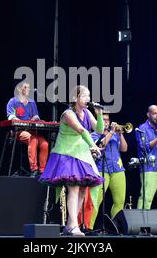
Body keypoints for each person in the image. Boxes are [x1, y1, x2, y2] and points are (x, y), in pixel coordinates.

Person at [39, 85, 104, 236]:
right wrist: (93, 146)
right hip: (67, 154)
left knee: (82, 189)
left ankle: (70, 225)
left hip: (81, 155)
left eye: (89, 96)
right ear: (75, 98)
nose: (88, 99)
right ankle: (74, 225)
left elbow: (99, 130)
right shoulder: (68, 113)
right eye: (84, 96)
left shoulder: (87, 112)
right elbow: (81, 130)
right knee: (74, 188)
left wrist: (100, 114)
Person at [82, 111, 128, 230]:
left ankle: (115, 226)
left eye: (107, 120)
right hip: (101, 170)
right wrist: (111, 132)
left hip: (118, 169)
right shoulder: (94, 134)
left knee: (120, 201)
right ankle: (88, 227)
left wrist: (120, 134)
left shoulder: (116, 134)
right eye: (104, 120)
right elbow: (100, 146)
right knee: (96, 200)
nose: (106, 122)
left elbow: (124, 149)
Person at [6, 81, 49, 177]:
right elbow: (11, 116)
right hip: (19, 132)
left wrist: (35, 118)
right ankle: (34, 169)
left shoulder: (31, 102)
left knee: (45, 144)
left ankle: (42, 171)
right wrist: (18, 120)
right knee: (32, 139)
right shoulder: (13, 101)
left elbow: (36, 116)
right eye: (25, 87)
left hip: (32, 131)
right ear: (19, 89)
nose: (28, 89)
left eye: (29, 87)